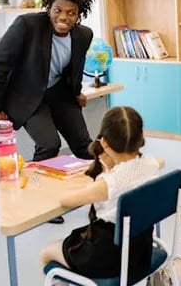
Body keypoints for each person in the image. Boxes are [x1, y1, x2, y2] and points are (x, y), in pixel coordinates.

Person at [40, 106, 160, 280]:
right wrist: (110, 168)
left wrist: (106, 171)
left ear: (104, 143)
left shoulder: (110, 183)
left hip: (107, 257)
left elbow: (66, 200)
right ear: (141, 136)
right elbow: (127, 177)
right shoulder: (151, 164)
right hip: (140, 252)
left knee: (46, 252)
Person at [0, 0, 94, 162]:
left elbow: (76, 67)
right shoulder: (28, 25)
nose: (63, 17)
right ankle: (37, 187)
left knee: (84, 144)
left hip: (58, 93)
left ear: (78, 15)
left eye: (71, 13)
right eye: (58, 10)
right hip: (26, 94)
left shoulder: (84, 35)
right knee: (49, 145)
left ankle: (103, 183)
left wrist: (76, 92)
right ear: (49, 9)